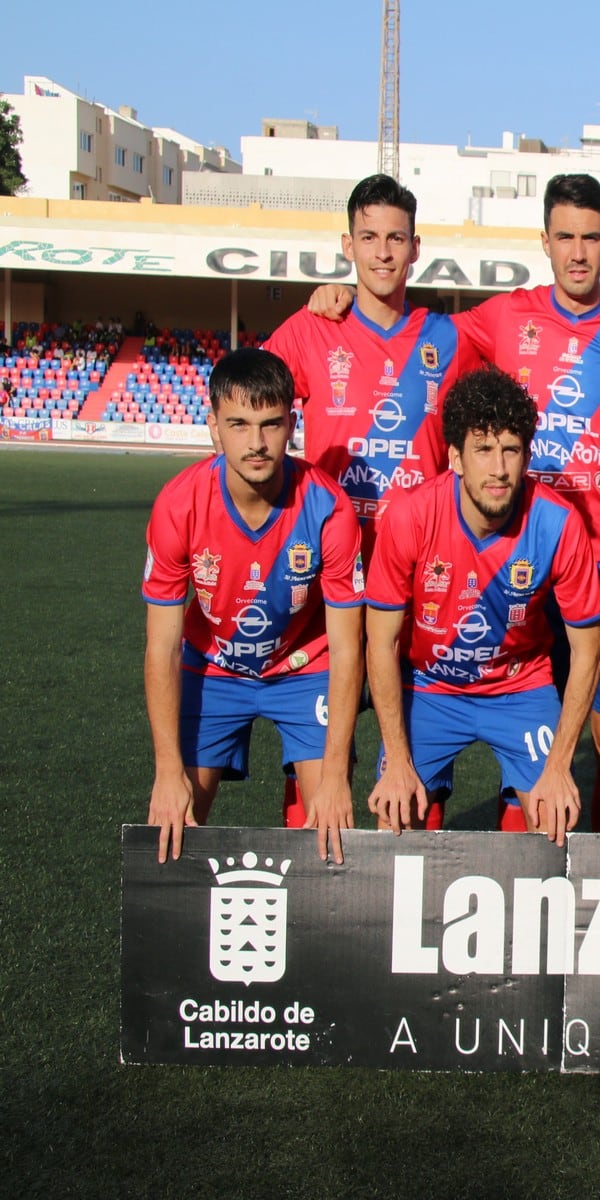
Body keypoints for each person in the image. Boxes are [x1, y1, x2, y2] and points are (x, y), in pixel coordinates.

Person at [265, 173, 480, 829]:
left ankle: (404, 899)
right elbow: (248, 405)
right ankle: (313, 896)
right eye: (369, 238)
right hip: (327, 569)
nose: (383, 252)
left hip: (415, 571)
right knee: (318, 763)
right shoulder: (310, 330)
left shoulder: (452, 338)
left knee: (407, 759)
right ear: (347, 244)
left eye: (396, 239)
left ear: (416, 248)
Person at [363, 367, 600, 844]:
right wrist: (395, 757)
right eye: (483, 449)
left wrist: (559, 767)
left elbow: (589, 650)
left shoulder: (558, 524)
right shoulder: (411, 516)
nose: (498, 468)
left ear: (526, 455)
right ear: (455, 457)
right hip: (429, 686)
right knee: (395, 815)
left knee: (553, 819)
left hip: (520, 687)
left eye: (511, 450)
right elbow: (382, 640)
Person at [143, 348, 364, 864]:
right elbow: (162, 649)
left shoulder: (328, 507)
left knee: (331, 832)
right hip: (212, 666)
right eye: (239, 425)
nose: (257, 443)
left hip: (303, 668)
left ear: (292, 424)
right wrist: (166, 770)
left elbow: (349, 649)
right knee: (177, 824)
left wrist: (335, 777)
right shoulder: (179, 504)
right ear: (214, 428)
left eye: (270, 424)